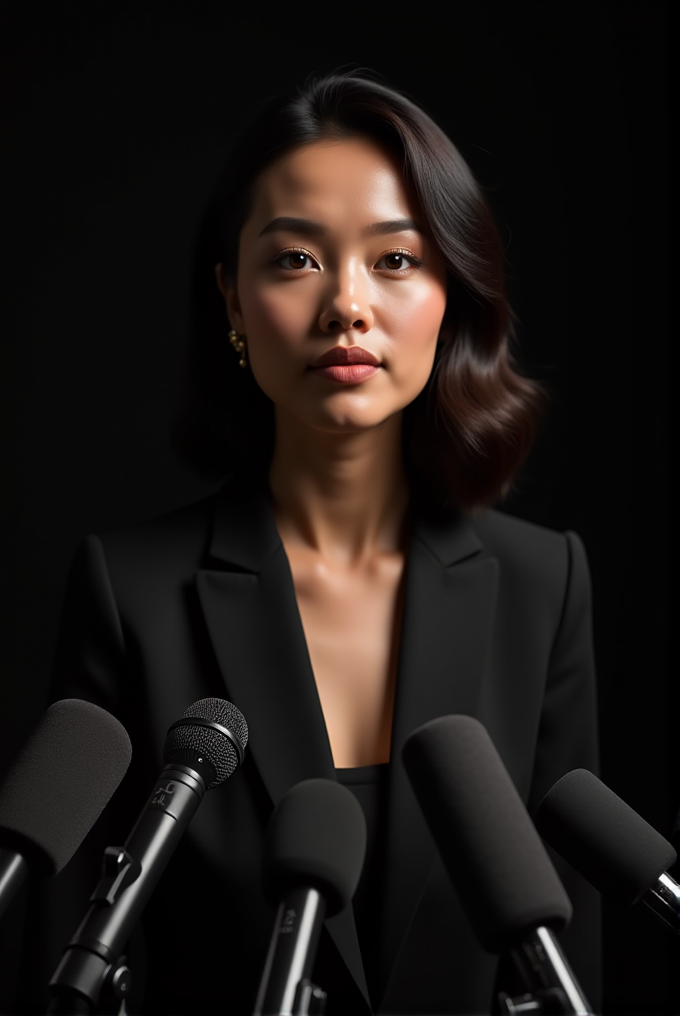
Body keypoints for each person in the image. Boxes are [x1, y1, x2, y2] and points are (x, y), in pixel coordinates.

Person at [32, 69, 600, 1015]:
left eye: (395, 260)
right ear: (230, 299)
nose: (346, 303)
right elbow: (60, 961)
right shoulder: (129, 590)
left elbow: (571, 956)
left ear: (451, 290)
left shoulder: (546, 585)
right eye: (295, 259)